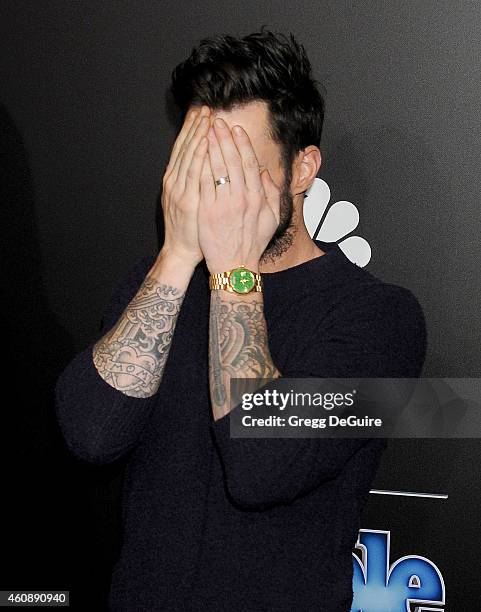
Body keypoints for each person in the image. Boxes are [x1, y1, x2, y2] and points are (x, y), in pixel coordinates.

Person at [55, 26, 427, 611]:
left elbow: (261, 466)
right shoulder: (159, 285)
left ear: (303, 170)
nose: (216, 192)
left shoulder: (381, 320)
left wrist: (232, 271)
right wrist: (178, 256)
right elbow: (90, 435)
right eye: (203, 166)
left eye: (236, 168)